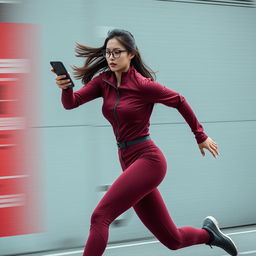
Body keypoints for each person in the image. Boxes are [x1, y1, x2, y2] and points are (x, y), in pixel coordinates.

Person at [51, 29, 238, 256]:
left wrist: (200, 136)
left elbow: (179, 100)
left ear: (130, 54)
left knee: (100, 217)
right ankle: (210, 234)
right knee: (173, 239)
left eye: (116, 52)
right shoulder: (104, 82)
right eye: (108, 52)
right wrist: (66, 88)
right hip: (128, 162)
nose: (110, 57)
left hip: (148, 160)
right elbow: (72, 103)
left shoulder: (143, 85)